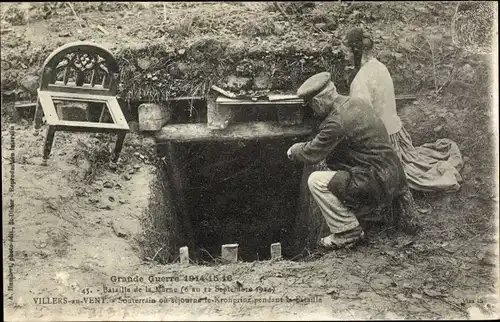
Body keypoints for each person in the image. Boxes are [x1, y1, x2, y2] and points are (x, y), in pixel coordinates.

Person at [287, 72, 414, 249]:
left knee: (316, 181)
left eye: (312, 107)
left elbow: (312, 153)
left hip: (376, 179)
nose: (313, 112)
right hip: (392, 173)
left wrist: (293, 150)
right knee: (338, 172)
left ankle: (347, 232)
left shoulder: (337, 122)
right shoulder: (357, 103)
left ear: (317, 102)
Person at [343, 28, 464, 192]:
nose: (346, 57)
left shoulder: (360, 80)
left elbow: (363, 120)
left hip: (381, 141)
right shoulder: (379, 66)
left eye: (347, 52)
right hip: (394, 133)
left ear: (356, 51)